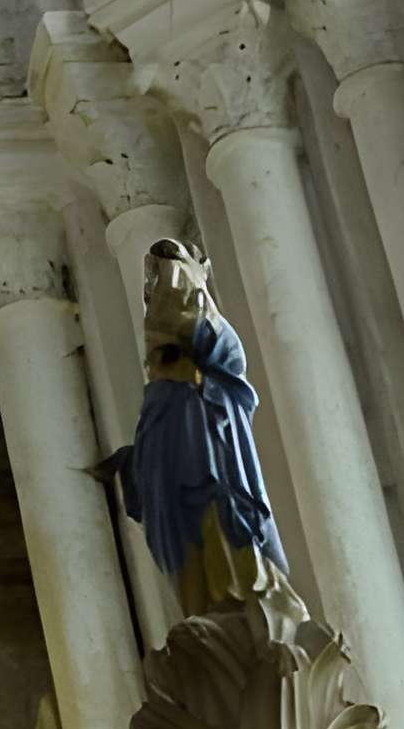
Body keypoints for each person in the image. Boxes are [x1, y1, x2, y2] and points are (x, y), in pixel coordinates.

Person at [99, 239, 304, 621]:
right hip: (181, 466)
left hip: (214, 455)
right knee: (190, 542)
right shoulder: (162, 397)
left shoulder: (214, 356)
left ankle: (253, 605)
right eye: (158, 285)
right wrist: (137, 465)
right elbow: (154, 451)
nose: (167, 292)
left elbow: (224, 363)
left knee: (228, 523)